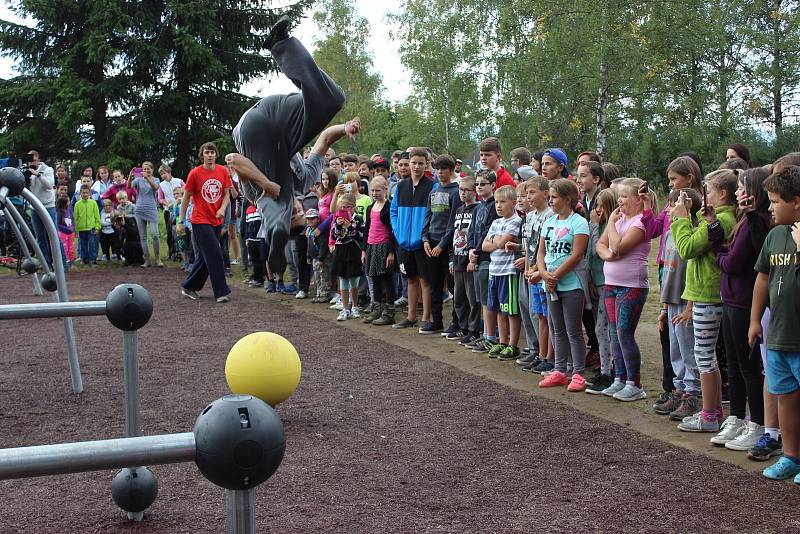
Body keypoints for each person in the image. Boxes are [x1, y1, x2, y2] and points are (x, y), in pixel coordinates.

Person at [230, 16, 347, 278]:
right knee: (333, 100)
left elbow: (233, 158)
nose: (297, 210)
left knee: (275, 195)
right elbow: (325, 139)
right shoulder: (305, 181)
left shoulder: (253, 195)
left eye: (291, 215)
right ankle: (280, 43)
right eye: (298, 214)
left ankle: (275, 231)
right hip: (279, 116)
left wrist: (266, 184)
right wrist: (345, 127)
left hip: (253, 129)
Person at [707, 167, 771, 450]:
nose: (736, 193)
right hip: (732, 300)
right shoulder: (743, 220)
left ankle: (756, 422)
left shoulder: (756, 223)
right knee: (733, 364)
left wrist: (719, 257)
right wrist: (714, 232)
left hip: (744, 302)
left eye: (742, 188)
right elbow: (725, 251)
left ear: (753, 192)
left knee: (748, 366)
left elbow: (732, 263)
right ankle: (735, 416)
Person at [673, 169, 738, 432]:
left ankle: (710, 414)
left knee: (704, 355)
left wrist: (680, 220)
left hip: (709, 295)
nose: (704, 196)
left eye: (708, 191)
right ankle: (713, 410)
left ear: (723, 194)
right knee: (704, 354)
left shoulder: (722, 220)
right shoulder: (718, 217)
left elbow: (687, 248)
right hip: (704, 294)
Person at [749, 164, 800, 482]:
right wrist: (755, 320)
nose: (769, 207)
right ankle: (792, 457)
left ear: (797, 201)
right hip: (779, 334)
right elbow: (763, 278)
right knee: (787, 398)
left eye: (775, 201)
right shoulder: (775, 235)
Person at [594, 178, 652, 400]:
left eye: (624, 196)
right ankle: (619, 378)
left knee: (624, 333)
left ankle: (634, 383)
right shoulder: (619, 220)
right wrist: (609, 255)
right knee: (614, 333)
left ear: (639, 199)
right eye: (619, 196)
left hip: (632, 286)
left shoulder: (640, 223)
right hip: (612, 284)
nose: (620, 201)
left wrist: (610, 225)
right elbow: (602, 245)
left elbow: (618, 245)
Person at [652, 188, 703, 415]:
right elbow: (668, 274)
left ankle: (692, 394)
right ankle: (680, 389)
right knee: (675, 349)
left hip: (685, 302)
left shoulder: (690, 232)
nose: (669, 209)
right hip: (672, 301)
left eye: (673, 205)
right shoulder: (672, 232)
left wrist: (690, 308)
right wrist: (664, 307)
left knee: (688, 349)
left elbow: (693, 273)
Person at [536, 179, 590, 391]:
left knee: (573, 330)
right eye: (550, 197)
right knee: (556, 328)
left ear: (567, 199)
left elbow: (577, 255)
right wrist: (543, 274)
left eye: (554, 197)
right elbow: (541, 252)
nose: (551, 201)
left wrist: (555, 276)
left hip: (571, 284)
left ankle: (578, 373)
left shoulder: (579, 223)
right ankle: (559, 370)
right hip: (550, 284)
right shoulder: (549, 222)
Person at [178, 142, 233, 303]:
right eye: (206, 153)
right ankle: (221, 292)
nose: (209, 155)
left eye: (212, 152)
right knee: (215, 253)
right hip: (199, 220)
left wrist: (222, 209)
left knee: (204, 257)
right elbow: (186, 198)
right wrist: (181, 221)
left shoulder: (223, 171)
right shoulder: (195, 173)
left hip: (216, 219)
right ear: (202, 156)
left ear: (216, 155)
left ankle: (189, 286)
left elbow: (226, 194)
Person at [391, 148, 438, 330]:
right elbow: (393, 211)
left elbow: (435, 214)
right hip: (404, 243)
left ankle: (426, 317)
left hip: (422, 243)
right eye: (413, 163)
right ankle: (411, 317)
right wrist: (398, 232)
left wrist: (423, 235)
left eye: (420, 163)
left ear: (426, 164)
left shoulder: (432, 186)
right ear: (408, 163)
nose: (416, 166)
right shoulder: (401, 186)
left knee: (425, 281)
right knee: (410, 279)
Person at [481, 185, 523, 360]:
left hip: (508, 272)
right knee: (498, 308)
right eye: (497, 202)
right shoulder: (496, 222)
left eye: (503, 202)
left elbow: (500, 243)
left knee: (511, 311)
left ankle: (513, 344)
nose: (498, 205)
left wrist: (495, 240)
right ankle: (502, 341)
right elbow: (485, 245)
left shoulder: (516, 221)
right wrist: (495, 241)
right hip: (494, 271)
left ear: (513, 203)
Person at [422, 154, 461, 334]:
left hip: (448, 246)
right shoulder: (434, 191)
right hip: (431, 243)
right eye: (437, 169)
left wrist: (442, 245)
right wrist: (425, 239)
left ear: (451, 170)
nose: (440, 173)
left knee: (452, 285)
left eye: (443, 169)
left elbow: (454, 222)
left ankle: (456, 321)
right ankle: (436, 320)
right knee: (434, 283)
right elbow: (428, 216)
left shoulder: (456, 192)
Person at [584, 188, 617, 393]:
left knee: (603, 329)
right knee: (600, 328)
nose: (595, 210)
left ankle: (609, 371)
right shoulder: (597, 225)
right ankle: (606, 369)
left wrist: (595, 226)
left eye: (599, 206)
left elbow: (598, 251)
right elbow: (588, 254)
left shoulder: (607, 227)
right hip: (595, 282)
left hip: (607, 282)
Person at [523, 176, 555, 373]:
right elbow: (529, 246)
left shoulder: (550, 215)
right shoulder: (530, 216)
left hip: (543, 273)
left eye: (532, 192)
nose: (528, 197)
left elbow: (545, 249)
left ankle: (551, 357)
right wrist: (528, 267)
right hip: (532, 272)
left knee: (549, 317)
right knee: (540, 316)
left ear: (545, 193)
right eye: (527, 193)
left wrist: (537, 270)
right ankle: (541, 355)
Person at [465, 170, 500, 352]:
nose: (479, 187)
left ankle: (491, 337)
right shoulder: (478, 207)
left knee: (487, 300)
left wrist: (476, 251)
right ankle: (486, 334)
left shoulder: (495, 206)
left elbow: (489, 232)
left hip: (488, 258)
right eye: (477, 184)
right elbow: (472, 231)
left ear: (493, 185)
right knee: (481, 299)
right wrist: (471, 248)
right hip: (476, 256)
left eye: (483, 184)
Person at [450, 176, 481, 345]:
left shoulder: (477, 209)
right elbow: (454, 236)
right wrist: (451, 260)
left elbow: (475, 235)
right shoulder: (459, 210)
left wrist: (473, 259)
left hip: (469, 261)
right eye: (460, 190)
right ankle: (462, 326)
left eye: (466, 190)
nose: (462, 193)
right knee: (458, 297)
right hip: (457, 259)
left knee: (472, 298)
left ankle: (474, 329)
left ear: (474, 191)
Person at [362, 177, 396, 326]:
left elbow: (392, 231)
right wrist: (364, 250)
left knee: (387, 280)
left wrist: (391, 252)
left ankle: (389, 311)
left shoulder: (389, 207)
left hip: (384, 246)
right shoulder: (371, 207)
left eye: (378, 190)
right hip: (371, 246)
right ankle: (376, 308)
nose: (375, 193)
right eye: (373, 190)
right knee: (374, 278)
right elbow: (367, 229)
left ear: (385, 189)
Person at [26, 149, 66, 270]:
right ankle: (46, 265)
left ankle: (62, 264)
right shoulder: (27, 171)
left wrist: (37, 174)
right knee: (40, 238)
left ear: (38, 159)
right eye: (29, 160)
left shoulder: (47, 169)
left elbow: (49, 185)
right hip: (34, 206)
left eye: (33, 160)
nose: (31, 162)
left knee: (53, 236)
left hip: (48, 206)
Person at [330, 193, 364, 320]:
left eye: (348, 207)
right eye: (342, 207)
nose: (344, 210)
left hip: (354, 251)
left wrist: (350, 226)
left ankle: (355, 306)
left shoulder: (359, 218)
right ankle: (345, 309)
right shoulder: (337, 218)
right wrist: (338, 225)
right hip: (340, 251)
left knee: (354, 281)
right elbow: (334, 235)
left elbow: (360, 236)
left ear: (354, 207)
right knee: (343, 280)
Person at [128, 161, 162, 267]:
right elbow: (129, 187)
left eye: (148, 169)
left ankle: (157, 258)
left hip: (151, 209)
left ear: (152, 170)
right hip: (139, 210)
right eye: (144, 169)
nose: (146, 171)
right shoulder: (138, 180)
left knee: (155, 235)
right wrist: (130, 176)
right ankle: (146, 259)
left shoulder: (156, 179)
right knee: (143, 236)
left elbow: (156, 188)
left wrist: (147, 178)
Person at [73, 185, 101, 265]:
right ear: (80, 194)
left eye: (86, 193)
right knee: (83, 244)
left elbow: (97, 215)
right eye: (83, 193)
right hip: (81, 229)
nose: (85, 194)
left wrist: (97, 227)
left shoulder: (93, 203)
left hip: (91, 228)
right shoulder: (77, 204)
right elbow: (76, 217)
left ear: (90, 193)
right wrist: (76, 230)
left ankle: (93, 259)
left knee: (92, 243)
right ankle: (84, 259)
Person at [55, 196, 75, 268]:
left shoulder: (69, 210)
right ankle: (65, 260)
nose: (69, 203)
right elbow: (58, 224)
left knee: (71, 247)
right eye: (68, 201)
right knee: (65, 247)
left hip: (71, 233)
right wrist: (66, 229)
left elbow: (72, 219)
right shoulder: (59, 213)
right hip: (63, 233)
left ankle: (72, 260)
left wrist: (73, 228)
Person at [98, 199, 117, 263]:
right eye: (105, 206)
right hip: (104, 232)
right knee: (104, 244)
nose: (107, 207)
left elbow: (114, 222)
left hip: (112, 232)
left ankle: (114, 254)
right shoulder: (102, 214)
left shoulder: (114, 213)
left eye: (109, 205)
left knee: (113, 244)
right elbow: (102, 223)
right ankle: (105, 255)